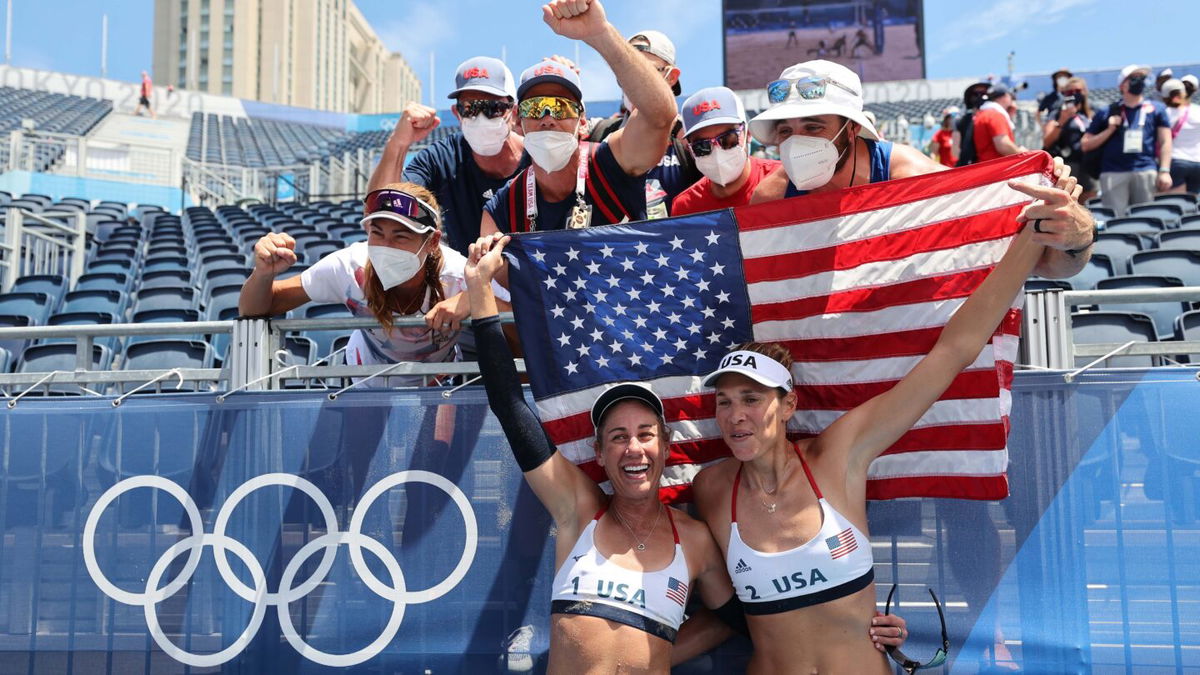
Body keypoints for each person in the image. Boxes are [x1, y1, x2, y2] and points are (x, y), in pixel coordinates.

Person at [465, 232, 910, 671]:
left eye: (645, 433)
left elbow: (748, 617)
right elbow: (510, 408)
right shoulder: (578, 512)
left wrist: (860, 622)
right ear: (598, 453)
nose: (633, 448)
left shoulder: (694, 540)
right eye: (617, 437)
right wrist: (479, 291)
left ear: (666, 447)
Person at [692, 194, 1056, 673]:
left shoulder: (837, 456)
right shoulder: (711, 489)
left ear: (788, 406)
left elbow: (952, 353)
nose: (736, 415)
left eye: (752, 399)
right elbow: (724, 610)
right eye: (724, 402)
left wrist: (1031, 240)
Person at [746, 60, 1094, 279]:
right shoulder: (771, 198)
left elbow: (1048, 266)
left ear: (851, 128)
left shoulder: (914, 179)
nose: (795, 143)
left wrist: (1077, 237)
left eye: (812, 127)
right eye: (785, 131)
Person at [481, 0, 676, 235]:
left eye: (561, 106)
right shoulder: (503, 207)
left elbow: (659, 117)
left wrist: (601, 33)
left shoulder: (611, 163)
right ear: (518, 120)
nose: (547, 118)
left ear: (582, 120)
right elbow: (496, 270)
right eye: (534, 107)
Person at [237, 183, 466, 376]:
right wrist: (263, 274)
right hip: (363, 381)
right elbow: (252, 309)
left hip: (438, 384)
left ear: (433, 242)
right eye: (377, 233)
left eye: (400, 237)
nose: (385, 247)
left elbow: (502, 314)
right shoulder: (348, 267)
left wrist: (472, 299)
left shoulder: (458, 274)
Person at [368, 57, 529, 256]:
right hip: (468, 279)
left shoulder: (537, 155)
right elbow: (382, 214)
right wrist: (397, 144)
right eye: (469, 108)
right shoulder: (441, 157)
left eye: (493, 108)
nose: (480, 119)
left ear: (513, 112)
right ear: (456, 113)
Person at [586, 29, 701, 219]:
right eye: (627, 71)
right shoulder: (599, 132)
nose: (635, 81)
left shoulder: (692, 137)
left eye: (646, 71)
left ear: (672, 77)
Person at [671, 86, 780, 216]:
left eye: (728, 139)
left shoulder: (785, 183)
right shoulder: (685, 207)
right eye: (702, 146)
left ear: (748, 134)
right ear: (690, 149)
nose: (717, 152)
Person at [1081, 64, 1173, 216]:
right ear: (1122, 84)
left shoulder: (1157, 109)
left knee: (1146, 217)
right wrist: (1109, 129)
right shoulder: (1107, 111)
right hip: (1113, 172)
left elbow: (1165, 142)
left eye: (1142, 77)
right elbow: (1085, 144)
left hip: (1145, 170)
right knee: (1115, 219)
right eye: (1134, 78)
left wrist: (1164, 170)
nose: (1140, 81)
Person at [1043, 77, 1097, 203]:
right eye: (1069, 92)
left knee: (1090, 205)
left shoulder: (1091, 113)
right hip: (1069, 164)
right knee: (1070, 202)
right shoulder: (1057, 113)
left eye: (1078, 90)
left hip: (1089, 165)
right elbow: (1047, 141)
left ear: (1085, 91)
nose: (1074, 94)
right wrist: (1062, 120)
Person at [1161, 78, 1200, 194]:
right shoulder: (1197, 110)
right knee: (1196, 206)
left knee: (1179, 203)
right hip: (1198, 162)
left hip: (1177, 162)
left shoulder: (1164, 113)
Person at [972, 83, 1021, 163]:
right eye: (1010, 96)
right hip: (997, 169)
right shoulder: (995, 115)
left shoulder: (983, 113)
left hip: (985, 166)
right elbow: (1003, 146)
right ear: (1004, 97)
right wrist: (1023, 153)